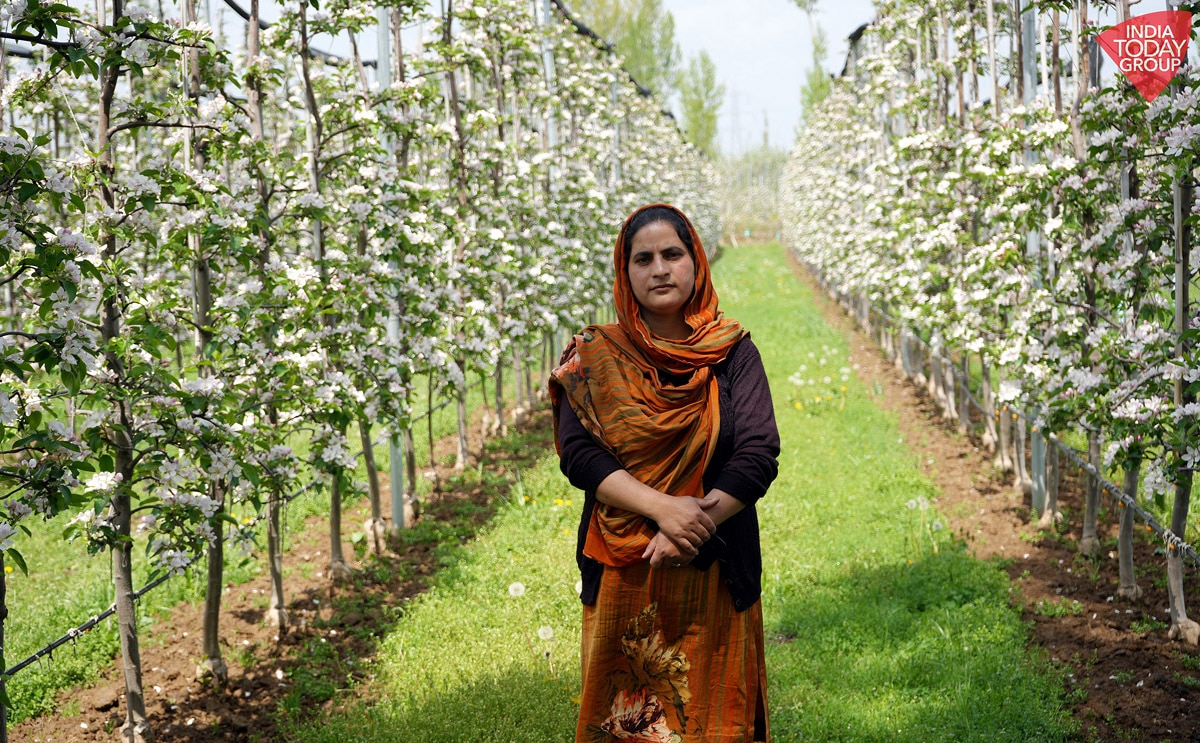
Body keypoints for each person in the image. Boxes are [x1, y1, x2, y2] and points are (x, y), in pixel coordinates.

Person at [550, 203, 781, 742]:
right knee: (624, 722)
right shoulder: (593, 356)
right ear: (625, 271)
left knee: (718, 720)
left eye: (672, 254)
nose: (659, 269)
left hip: (717, 567)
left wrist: (693, 526)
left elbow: (758, 453)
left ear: (695, 263)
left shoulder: (733, 353)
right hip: (624, 569)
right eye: (643, 258)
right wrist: (664, 510)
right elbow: (580, 455)